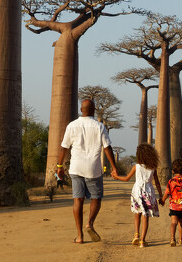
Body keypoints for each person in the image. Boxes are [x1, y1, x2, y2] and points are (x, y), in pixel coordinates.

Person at [56, 99, 119, 244]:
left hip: (76, 167)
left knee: (78, 200)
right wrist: (114, 168)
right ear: (94, 110)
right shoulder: (99, 126)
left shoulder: (72, 125)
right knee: (96, 198)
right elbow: (107, 148)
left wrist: (59, 167)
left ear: (80, 109)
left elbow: (64, 148)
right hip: (93, 168)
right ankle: (90, 223)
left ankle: (79, 236)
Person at [115, 143, 163, 247]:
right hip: (148, 192)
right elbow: (157, 183)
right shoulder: (152, 168)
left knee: (137, 213)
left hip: (137, 191)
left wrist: (116, 176)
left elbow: (126, 178)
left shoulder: (136, 167)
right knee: (146, 216)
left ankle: (136, 235)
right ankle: (142, 240)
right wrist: (161, 196)